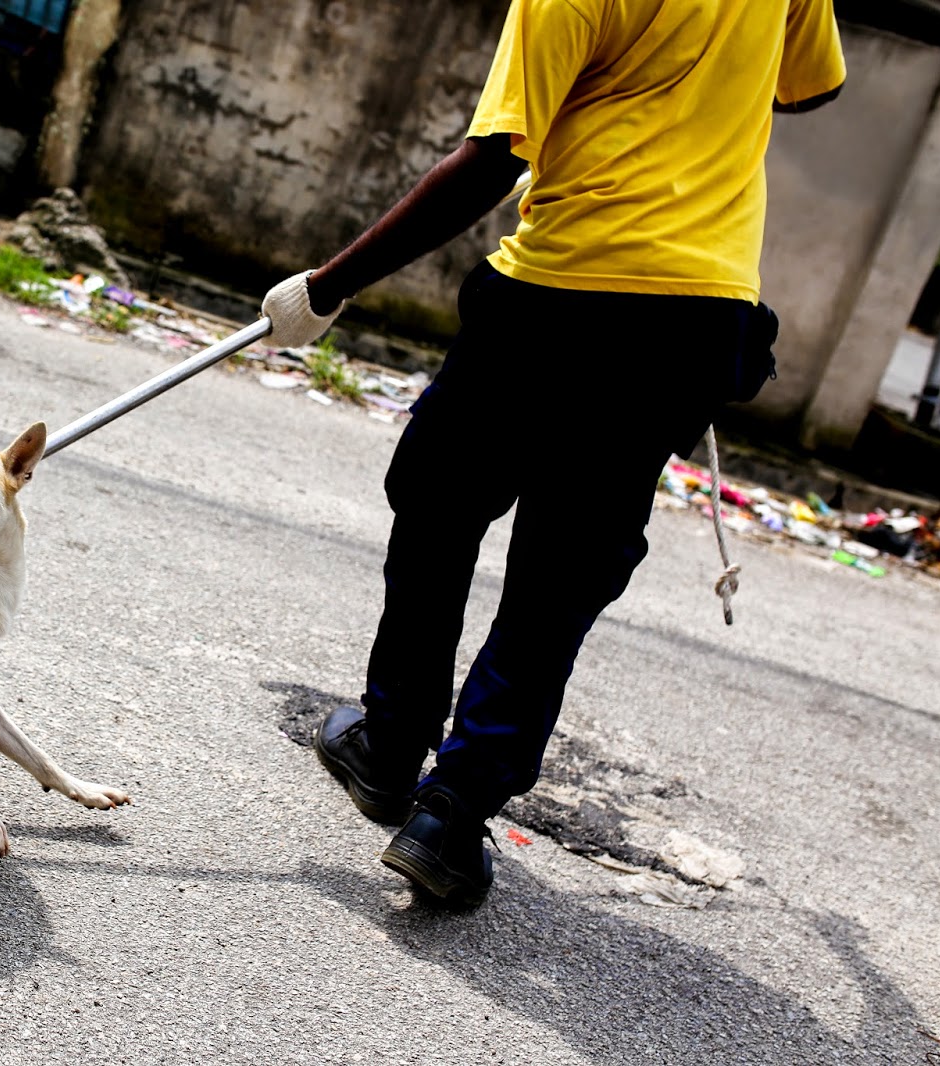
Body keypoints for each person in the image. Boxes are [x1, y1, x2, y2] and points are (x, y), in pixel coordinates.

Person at [259, 0, 846, 906]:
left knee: (439, 505)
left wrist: (328, 287)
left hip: (558, 291)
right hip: (695, 317)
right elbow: (809, 87)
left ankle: (392, 740)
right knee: (558, 574)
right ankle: (449, 816)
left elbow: (494, 158)